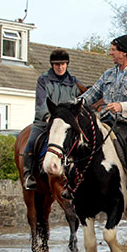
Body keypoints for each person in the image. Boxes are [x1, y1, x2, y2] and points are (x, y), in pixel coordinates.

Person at [81, 34, 127, 212]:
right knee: (81, 145)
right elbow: (92, 94)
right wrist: (73, 106)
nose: (110, 53)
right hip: (106, 121)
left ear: (124, 52)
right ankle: (77, 187)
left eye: (114, 49)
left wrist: (123, 106)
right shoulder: (108, 74)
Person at [23, 49, 81, 190]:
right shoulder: (43, 81)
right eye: (56, 64)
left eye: (62, 64)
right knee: (31, 142)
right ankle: (28, 174)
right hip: (45, 121)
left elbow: (80, 101)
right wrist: (47, 117)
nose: (60, 67)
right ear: (52, 65)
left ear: (67, 64)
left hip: (65, 125)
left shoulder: (74, 83)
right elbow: (41, 103)